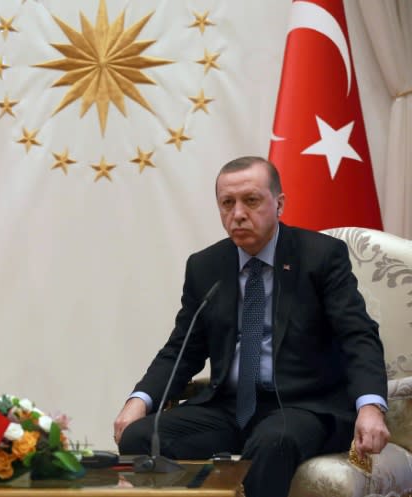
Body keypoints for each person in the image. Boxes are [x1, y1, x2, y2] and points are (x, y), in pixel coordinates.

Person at [113, 156, 389, 497]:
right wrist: (139, 401)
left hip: (301, 406)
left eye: (251, 200)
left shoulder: (320, 256)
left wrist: (371, 405)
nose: (238, 214)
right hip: (228, 408)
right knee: (139, 437)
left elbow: (358, 335)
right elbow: (181, 349)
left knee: (274, 440)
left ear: (279, 203)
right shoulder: (206, 266)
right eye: (227, 203)